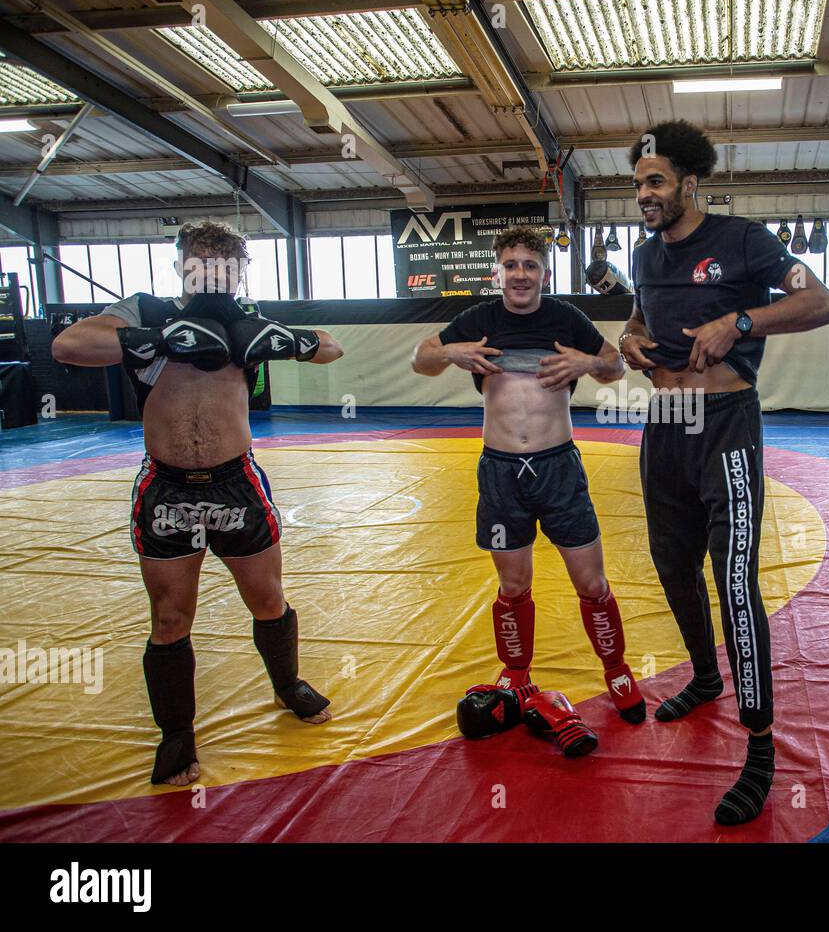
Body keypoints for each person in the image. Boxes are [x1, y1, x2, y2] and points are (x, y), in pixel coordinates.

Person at [51, 220, 344, 786]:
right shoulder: (146, 310)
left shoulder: (247, 320)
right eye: (200, 260)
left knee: (267, 599)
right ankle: (177, 735)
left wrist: (294, 341)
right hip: (166, 487)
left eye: (223, 262)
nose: (211, 271)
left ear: (238, 271)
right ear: (182, 264)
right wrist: (157, 339)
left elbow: (330, 346)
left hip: (236, 480)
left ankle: (287, 686)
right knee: (169, 617)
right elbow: (68, 344)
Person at [619, 120, 829, 825]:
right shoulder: (645, 253)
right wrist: (628, 338)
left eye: (654, 182)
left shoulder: (746, 241)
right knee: (669, 563)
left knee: (734, 581)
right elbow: (639, 313)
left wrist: (740, 323)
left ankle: (761, 744)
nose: (644, 196)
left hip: (726, 427)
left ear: (690, 183)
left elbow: (824, 303)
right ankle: (706, 676)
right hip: (666, 425)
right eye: (637, 185)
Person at [411, 226, 645, 722]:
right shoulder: (478, 319)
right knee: (513, 586)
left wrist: (585, 362)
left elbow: (615, 366)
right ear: (498, 272)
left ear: (544, 272)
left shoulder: (564, 317)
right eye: (511, 265)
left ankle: (617, 669)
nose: (520, 274)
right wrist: (451, 352)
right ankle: (516, 672)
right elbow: (421, 359)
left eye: (530, 265)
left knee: (592, 582)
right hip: (499, 474)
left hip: (557, 466)